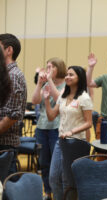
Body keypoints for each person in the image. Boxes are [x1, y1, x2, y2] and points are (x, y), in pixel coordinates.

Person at [45, 66, 93, 200]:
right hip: (62, 142)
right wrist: (47, 100)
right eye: (67, 74)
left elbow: (89, 123)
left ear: (79, 78)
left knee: (68, 181)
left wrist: (71, 131)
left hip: (76, 142)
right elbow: (51, 117)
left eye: (71, 75)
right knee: (54, 178)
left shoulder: (84, 98)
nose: (67, 77)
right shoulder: (62, 96)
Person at [32, 58, 66, 200]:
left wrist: (49, 80)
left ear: (58, 68)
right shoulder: (45, 83)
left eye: (51, 67)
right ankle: (47, 192)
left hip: (56, 128)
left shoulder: (65, 85)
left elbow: (59, 99)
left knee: (56, 164)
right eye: (47, 67)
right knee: (44, 162)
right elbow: (35, 101)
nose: (48, 70)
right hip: (42, 127)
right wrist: (40, 83)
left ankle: (59, 193)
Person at [0, 33, 27, 175]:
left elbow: (12, 116)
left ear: (8, 50)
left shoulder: (13, 75)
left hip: (5, 144)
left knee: (6, 191)